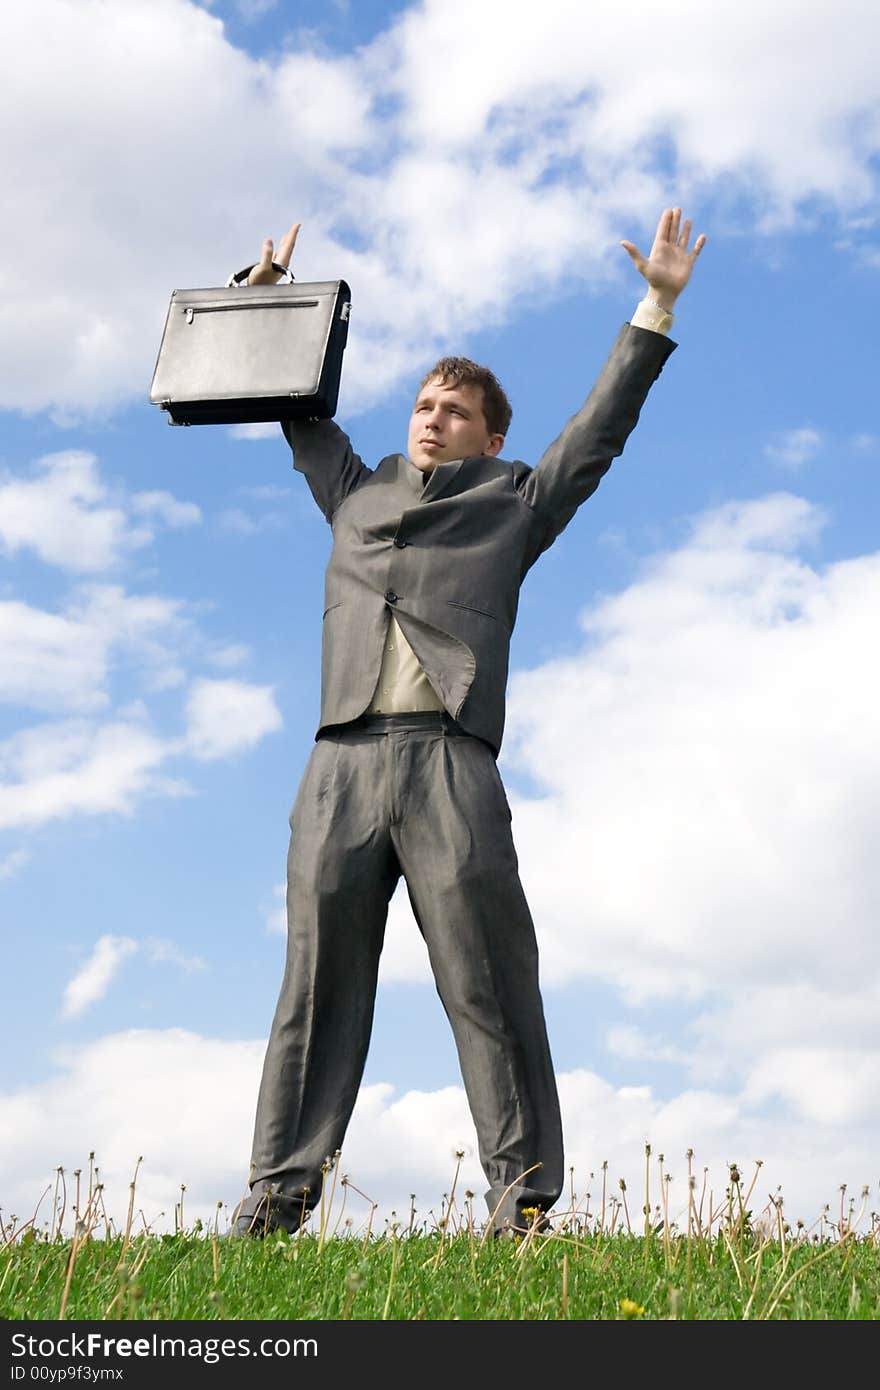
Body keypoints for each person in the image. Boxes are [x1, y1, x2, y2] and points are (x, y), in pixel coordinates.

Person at [231, 208, 706, 1237]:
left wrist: (656, 304)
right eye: (421, 403)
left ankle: (522, 1201)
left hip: (450, 763)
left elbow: (598, 429)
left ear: (490, 435)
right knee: (314, 987)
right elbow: (293, 404)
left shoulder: (516, 502)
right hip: (340, 765)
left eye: (453, 410)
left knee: (487, 978)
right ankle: (277, 1191)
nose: (430, 418)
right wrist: (262, 301)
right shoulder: (352, 493)